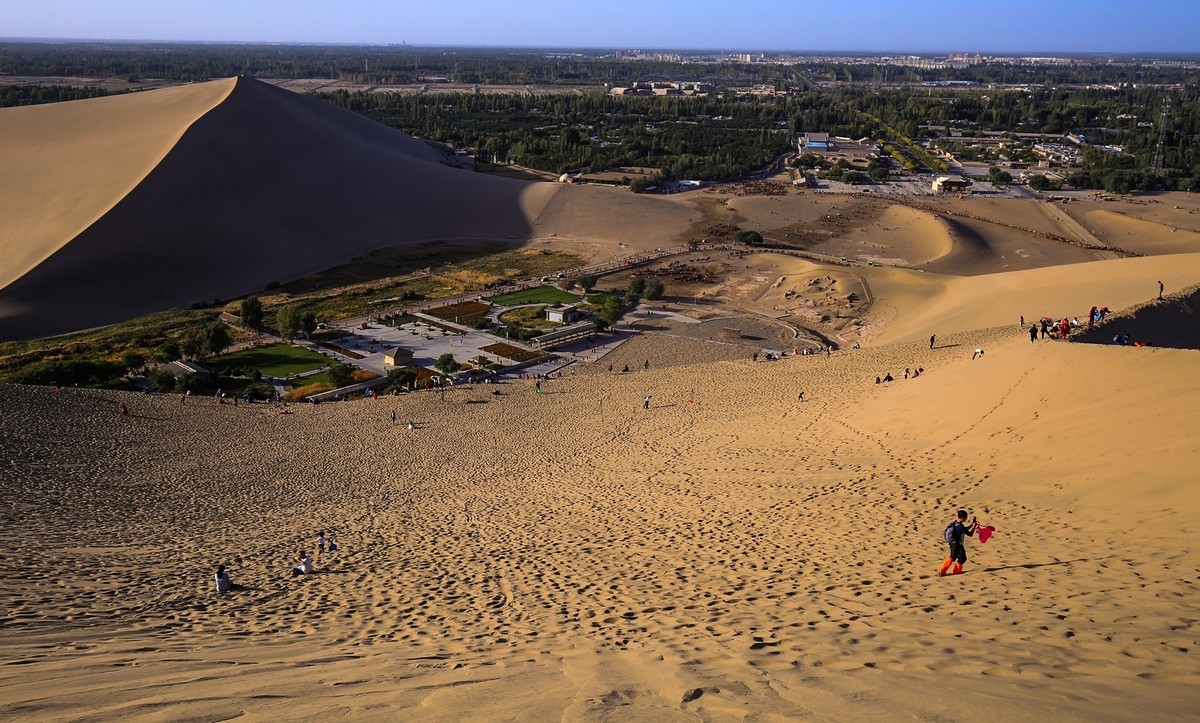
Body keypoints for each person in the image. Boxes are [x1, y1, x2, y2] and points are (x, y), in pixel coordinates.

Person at [938, 510, 979, 577]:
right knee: (961, 558)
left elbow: (964, 530)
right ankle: (954, 571)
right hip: (957, 545)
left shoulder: (955, 523)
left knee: (954, 557)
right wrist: (974, 527)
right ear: (963, 517)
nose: (966, 519)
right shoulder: (960, 526)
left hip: (953, 544)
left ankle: (944, 570)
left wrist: (971, 525)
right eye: (965, 517)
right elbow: (970, 534)